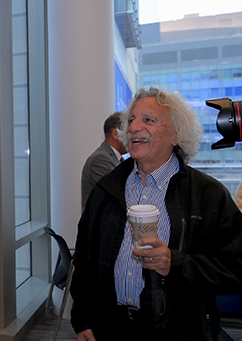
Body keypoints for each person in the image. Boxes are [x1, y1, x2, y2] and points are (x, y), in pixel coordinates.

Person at [70, 87, 242, 341]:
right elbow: (85, 258)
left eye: (148, 120)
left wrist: (175, 263)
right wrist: (81, 318)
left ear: (176, 135)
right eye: (131, 120)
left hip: (176, 329)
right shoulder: (106, 189)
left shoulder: (208, 194)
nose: (133, 127)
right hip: (108, 327)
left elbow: (235, 268)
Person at [80, 112, 127, 210]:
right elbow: (119, 194)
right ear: (116, 134)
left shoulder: (114, 158)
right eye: (129, 133)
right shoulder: (100, 159)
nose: (132, 138)